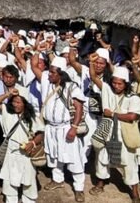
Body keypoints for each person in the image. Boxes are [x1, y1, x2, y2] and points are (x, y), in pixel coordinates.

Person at [88, 64, 140, 203]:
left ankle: (134, 192)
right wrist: (92, 63)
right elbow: (93, 77)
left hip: (124, 134)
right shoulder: (108, 90)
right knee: (102, 157)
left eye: (119, 83)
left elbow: (132, 117)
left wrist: (113, 114)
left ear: (125, 84)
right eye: (114, 82)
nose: (116, 86)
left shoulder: (132, 98)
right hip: (107, 130)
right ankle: (101, 183)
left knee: (129, 163)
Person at [38, 57, 87, 202]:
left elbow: (79, 108)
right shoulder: (49, 85)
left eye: (52, 72)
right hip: (51, 128)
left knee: (74, 159)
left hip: (66, 127)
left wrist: (74, 127)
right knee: (54, 155)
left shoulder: (72, 87)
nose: (49, 75)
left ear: (61, 74)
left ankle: (79, 188)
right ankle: (57, 180)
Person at [0, 87, 44, 203]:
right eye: (14, 101)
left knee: (28, 183)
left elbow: (40, 134)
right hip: (11, 153)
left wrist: (32, 143)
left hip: (26, 155)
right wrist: (8, 94)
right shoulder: (7, 112)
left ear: (25, 104)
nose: (15, 105)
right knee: (9, 184)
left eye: (18, 102)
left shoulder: (32, 118)